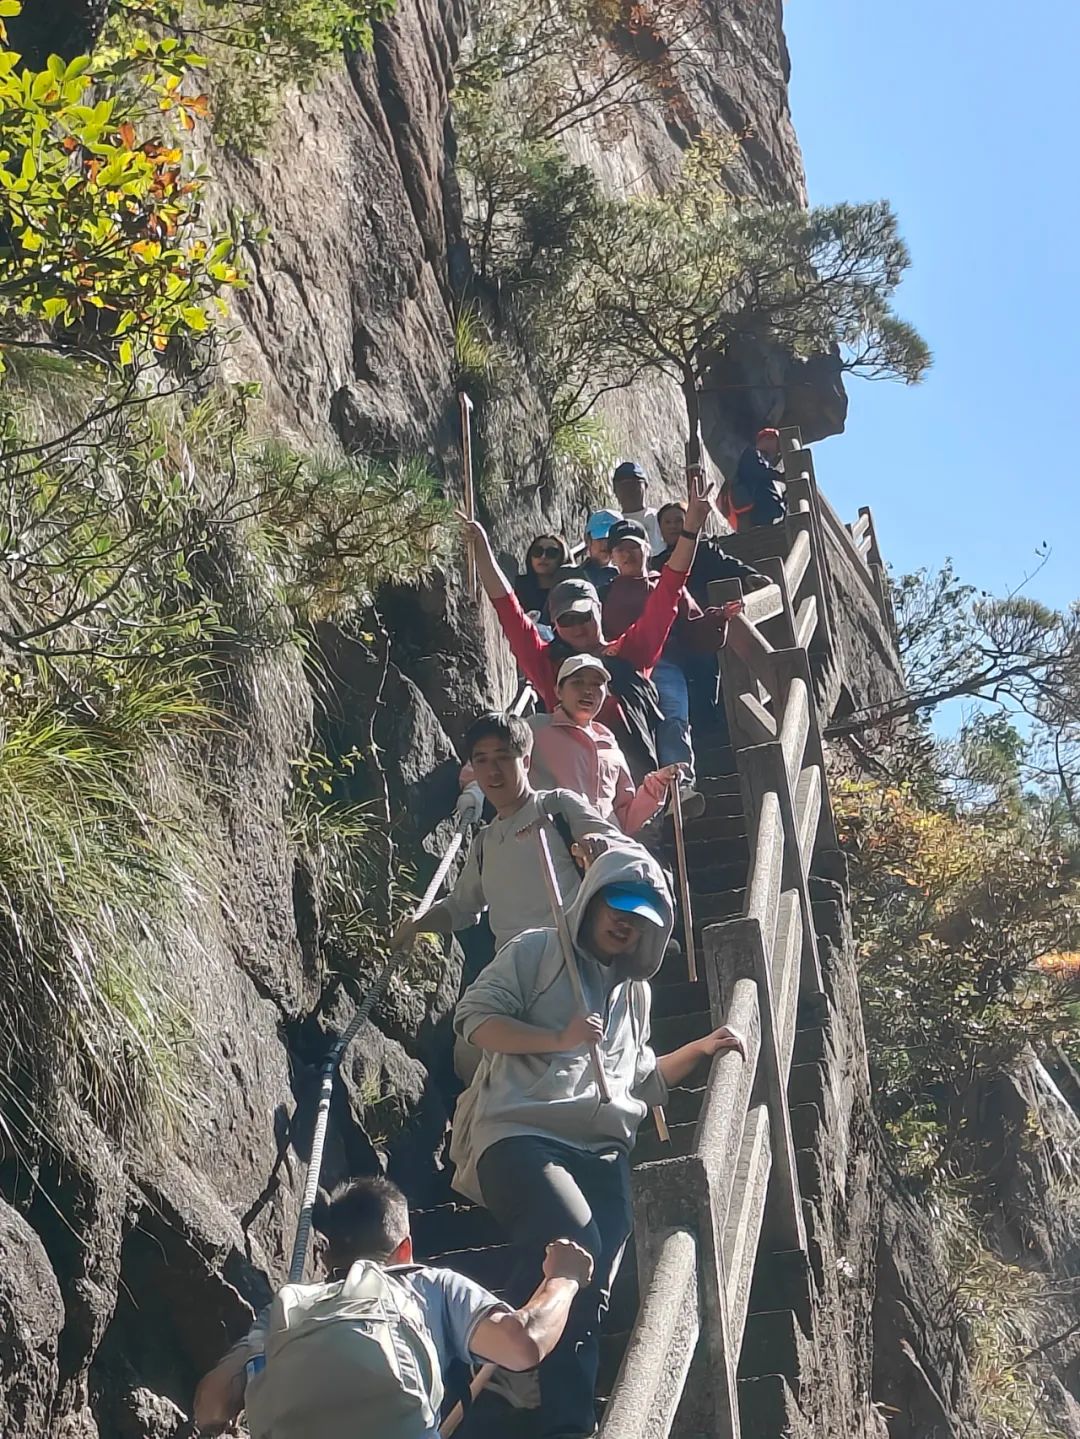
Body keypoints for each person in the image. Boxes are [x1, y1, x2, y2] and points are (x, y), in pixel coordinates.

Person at [450, 846, 746, 1439]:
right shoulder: (536, 951)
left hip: (603, 1152)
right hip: (522, 1133)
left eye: (640, 916)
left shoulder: (635, 996)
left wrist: (706, 1048)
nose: (623, 921)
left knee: (591, 1287)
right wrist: (558, 1037)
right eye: (616, 903)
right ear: (592, 899)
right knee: (576, 1244)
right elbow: (474, 1018)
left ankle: (553, 1402)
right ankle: (535, 1399)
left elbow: (639, 1078)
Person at [193, 1175, 594, 1439]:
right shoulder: (427, 1283)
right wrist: (564, 1278)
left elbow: (211, 1402)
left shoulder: (288, 1306)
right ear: (405, 1249)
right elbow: (523, 1342)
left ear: (327, 1257)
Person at [462, 478, 716, 780]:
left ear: (599, 611)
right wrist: (482, 553)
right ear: (554, 625)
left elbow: (670, 587)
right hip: (572, 788)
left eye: (584, 615)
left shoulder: (629, 652)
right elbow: (508, 609)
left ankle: (677, 790)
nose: (577, 626)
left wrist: (691, 530)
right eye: (566, 620)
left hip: (632, 783)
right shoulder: (547, 664)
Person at [392, 711, 624, 956]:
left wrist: (599, 850)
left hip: (569, 958)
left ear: (525, 761)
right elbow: (461, 907)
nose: (492, 771)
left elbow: (624, 850)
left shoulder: (558, 807)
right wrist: (418, 926)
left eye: (503, 758)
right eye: (481, 760)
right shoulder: (484, 843)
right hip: (513, 970)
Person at [602, 517, 739, 800]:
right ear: (612, 556)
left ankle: (680, 785)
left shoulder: (664, 585)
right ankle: (642, 795)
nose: (627, 555)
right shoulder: (604, 593)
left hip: (665, 664)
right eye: (619, 550)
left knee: (673, 718)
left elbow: (694, 626)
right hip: (620, 671)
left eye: (633, 547)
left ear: (646, 549)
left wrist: (719, 616)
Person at [527, 654, 678, 837]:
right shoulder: (535, 728)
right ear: (558, 691)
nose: (588, 691)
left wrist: (657, 786)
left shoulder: (609, 743)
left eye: (596, 684)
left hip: (606, 845)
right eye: (577, 683)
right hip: (553, 841)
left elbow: (626, 818)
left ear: (606, 694)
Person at [650, 500, 772, 608]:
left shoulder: (704, 550)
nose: (673, 526)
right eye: (667, 522)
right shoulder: (656, 564)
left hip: (707, 614)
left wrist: (748, 576)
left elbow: (726, 565)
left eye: (678, 521)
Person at [720, 427, 785, 532]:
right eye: (776, 443)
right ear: (765, 439)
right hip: (752, 509)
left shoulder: (765, 464)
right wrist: (780, 477)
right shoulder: (751, 453)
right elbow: (758, 470)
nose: (777, 450)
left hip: (760, 510)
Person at [514, 533, 571, 626]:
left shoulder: (569, 591)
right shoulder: (518, 587)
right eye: (537, 551)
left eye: (552, 553)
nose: (543, 557)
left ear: (562, 557)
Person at [611, 460, 664, 553]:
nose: (629, 490)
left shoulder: (660, 518)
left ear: (646, 486)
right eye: (623, 485)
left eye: (635, 484)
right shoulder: (613, 523)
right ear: (615, 490)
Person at [572, 509, 620, 590]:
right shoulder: (576, 576)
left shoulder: (628, 575)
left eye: (610, 539)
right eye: (600, 538)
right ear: (588, 540)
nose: (605, 543)